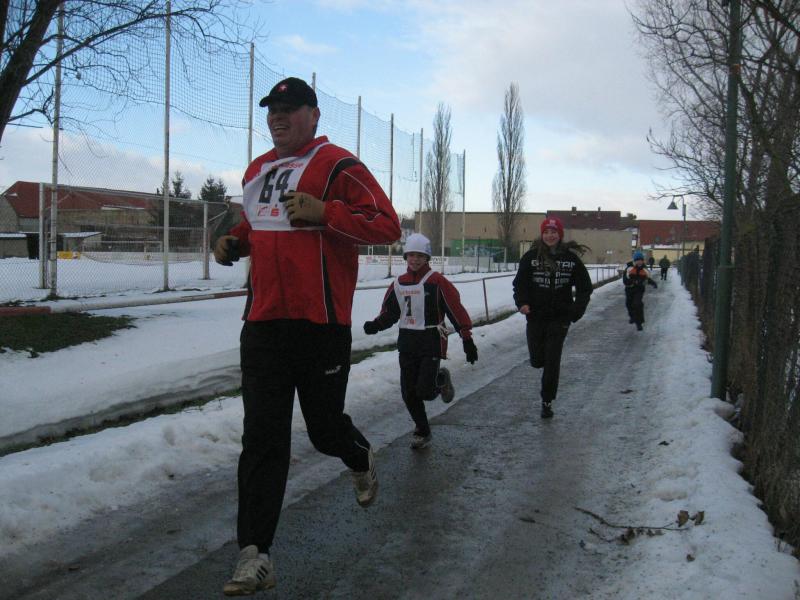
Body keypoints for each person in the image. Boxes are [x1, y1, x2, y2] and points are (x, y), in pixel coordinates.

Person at [213, 76, 400, 596]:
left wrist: (326, 213)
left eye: (290, 108)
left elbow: (386, 225)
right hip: (264, 324)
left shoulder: (338, 164)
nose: (278, 117)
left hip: (321, 325)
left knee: (323, 431)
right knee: (262, 440)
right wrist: (235, 242)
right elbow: (259, 226)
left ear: (313, 116)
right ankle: (254, 555)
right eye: (272, 109)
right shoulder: (258, 169)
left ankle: (358, 456)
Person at [363, 233, 478, 449]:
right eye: (411, 255)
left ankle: (440, 380)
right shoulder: (399, 283)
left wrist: (466, 338)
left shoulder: (437, 282)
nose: (415, 260)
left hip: (431, 339)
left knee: (425, 390)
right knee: (409, 392)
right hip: (407, 341)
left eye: (420, 256)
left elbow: (455, 309)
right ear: (406, 257)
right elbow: (390, 312)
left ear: (427, 258)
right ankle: (422, 430)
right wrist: (376, 325)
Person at [512, 217, 592, 419]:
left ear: (560, 234)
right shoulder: (531, 257)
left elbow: (585, 287)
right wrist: (522, 303)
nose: (550, 236)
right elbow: (520, 284)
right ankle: (540, 367)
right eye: (546, 232)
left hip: (560, 318)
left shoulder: (570, 259)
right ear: (542, 234)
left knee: (552, 360)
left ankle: (547, 401)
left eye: (554, 232)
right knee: (537, 360)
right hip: (536, 317)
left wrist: (575, 311)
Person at [625, 250, 658, 331]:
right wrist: (633, 281)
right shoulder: (629, 268)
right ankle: (632, 317)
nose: (639, 262)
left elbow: (647, 279)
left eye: (641, 260)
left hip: (639, 290)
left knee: (637, 304)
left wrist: (653, 283)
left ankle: (639, 323)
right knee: (629, 304)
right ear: (634, 261)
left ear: (643, 261)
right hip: (629, 290)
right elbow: (625, 280)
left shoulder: (644, 270)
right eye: (637, 260)